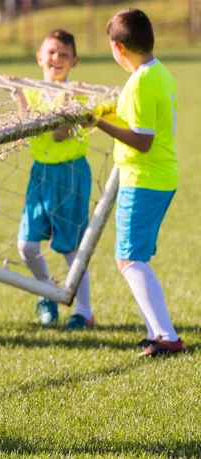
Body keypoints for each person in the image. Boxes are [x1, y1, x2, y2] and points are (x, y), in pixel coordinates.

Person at [94, 8, 185, 357]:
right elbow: (140, 121)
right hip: (158, 176)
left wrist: (97, 123)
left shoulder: (141, 82)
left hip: (144, 179)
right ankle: (155, 332)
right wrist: (108, 114)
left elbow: (142, 138)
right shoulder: (159, 73)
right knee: (134, 257)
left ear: (117, 48)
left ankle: (166, 336)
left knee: (129, 259)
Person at [11, 30, 94, 328]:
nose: (56, 59)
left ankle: (83, 312)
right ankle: (47, 291)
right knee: (27, 246)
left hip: (71, 173)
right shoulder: (31, 90)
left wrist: (72, 101)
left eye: (63, 54)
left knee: (72, 248)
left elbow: (61, 134)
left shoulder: (80, 93)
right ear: (39, 57)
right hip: (40, 174)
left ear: (74, 61)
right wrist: (19, 95)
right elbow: (26, 127)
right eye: (51, 52)